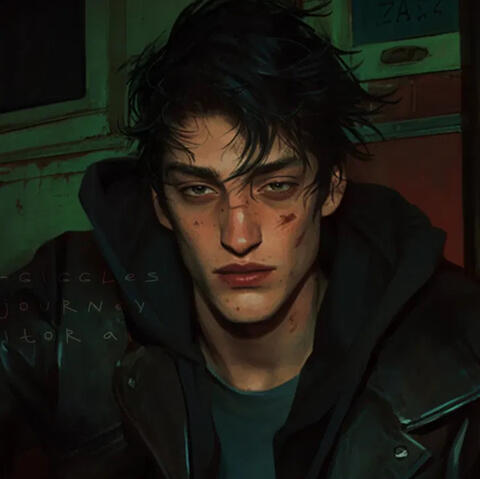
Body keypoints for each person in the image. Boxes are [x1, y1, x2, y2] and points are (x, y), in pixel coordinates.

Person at [1, 0, 480, 478]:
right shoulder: (68, 306)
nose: (239, 236)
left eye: (276, 187)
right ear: (160, 203)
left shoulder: (457, 348)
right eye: (198, 191)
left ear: (331, 188)